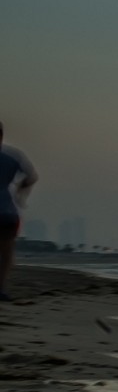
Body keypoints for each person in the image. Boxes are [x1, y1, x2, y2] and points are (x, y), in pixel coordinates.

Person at [0, 122, 36, 302]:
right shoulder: (13, 155)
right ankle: (1, 288)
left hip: (7, 211)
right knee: (6, 252)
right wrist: (22, 188)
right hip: (7, 209)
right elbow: (32, 176)